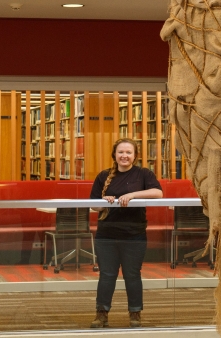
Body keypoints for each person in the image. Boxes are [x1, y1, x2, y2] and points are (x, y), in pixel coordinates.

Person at [89, 138, 163, 329]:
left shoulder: (143, 174)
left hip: (134, 233)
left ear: (135, 156)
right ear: (114, 154)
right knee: (106, 275)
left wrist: (133, 195)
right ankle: (101, 314)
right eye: (121, 152)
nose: (124, 156)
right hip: (107, 234)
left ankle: (135, 314)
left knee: (132, 275)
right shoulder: (104, 176)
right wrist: (104, 201)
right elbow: (93, 206)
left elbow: (158, 193)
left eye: (128, 152)